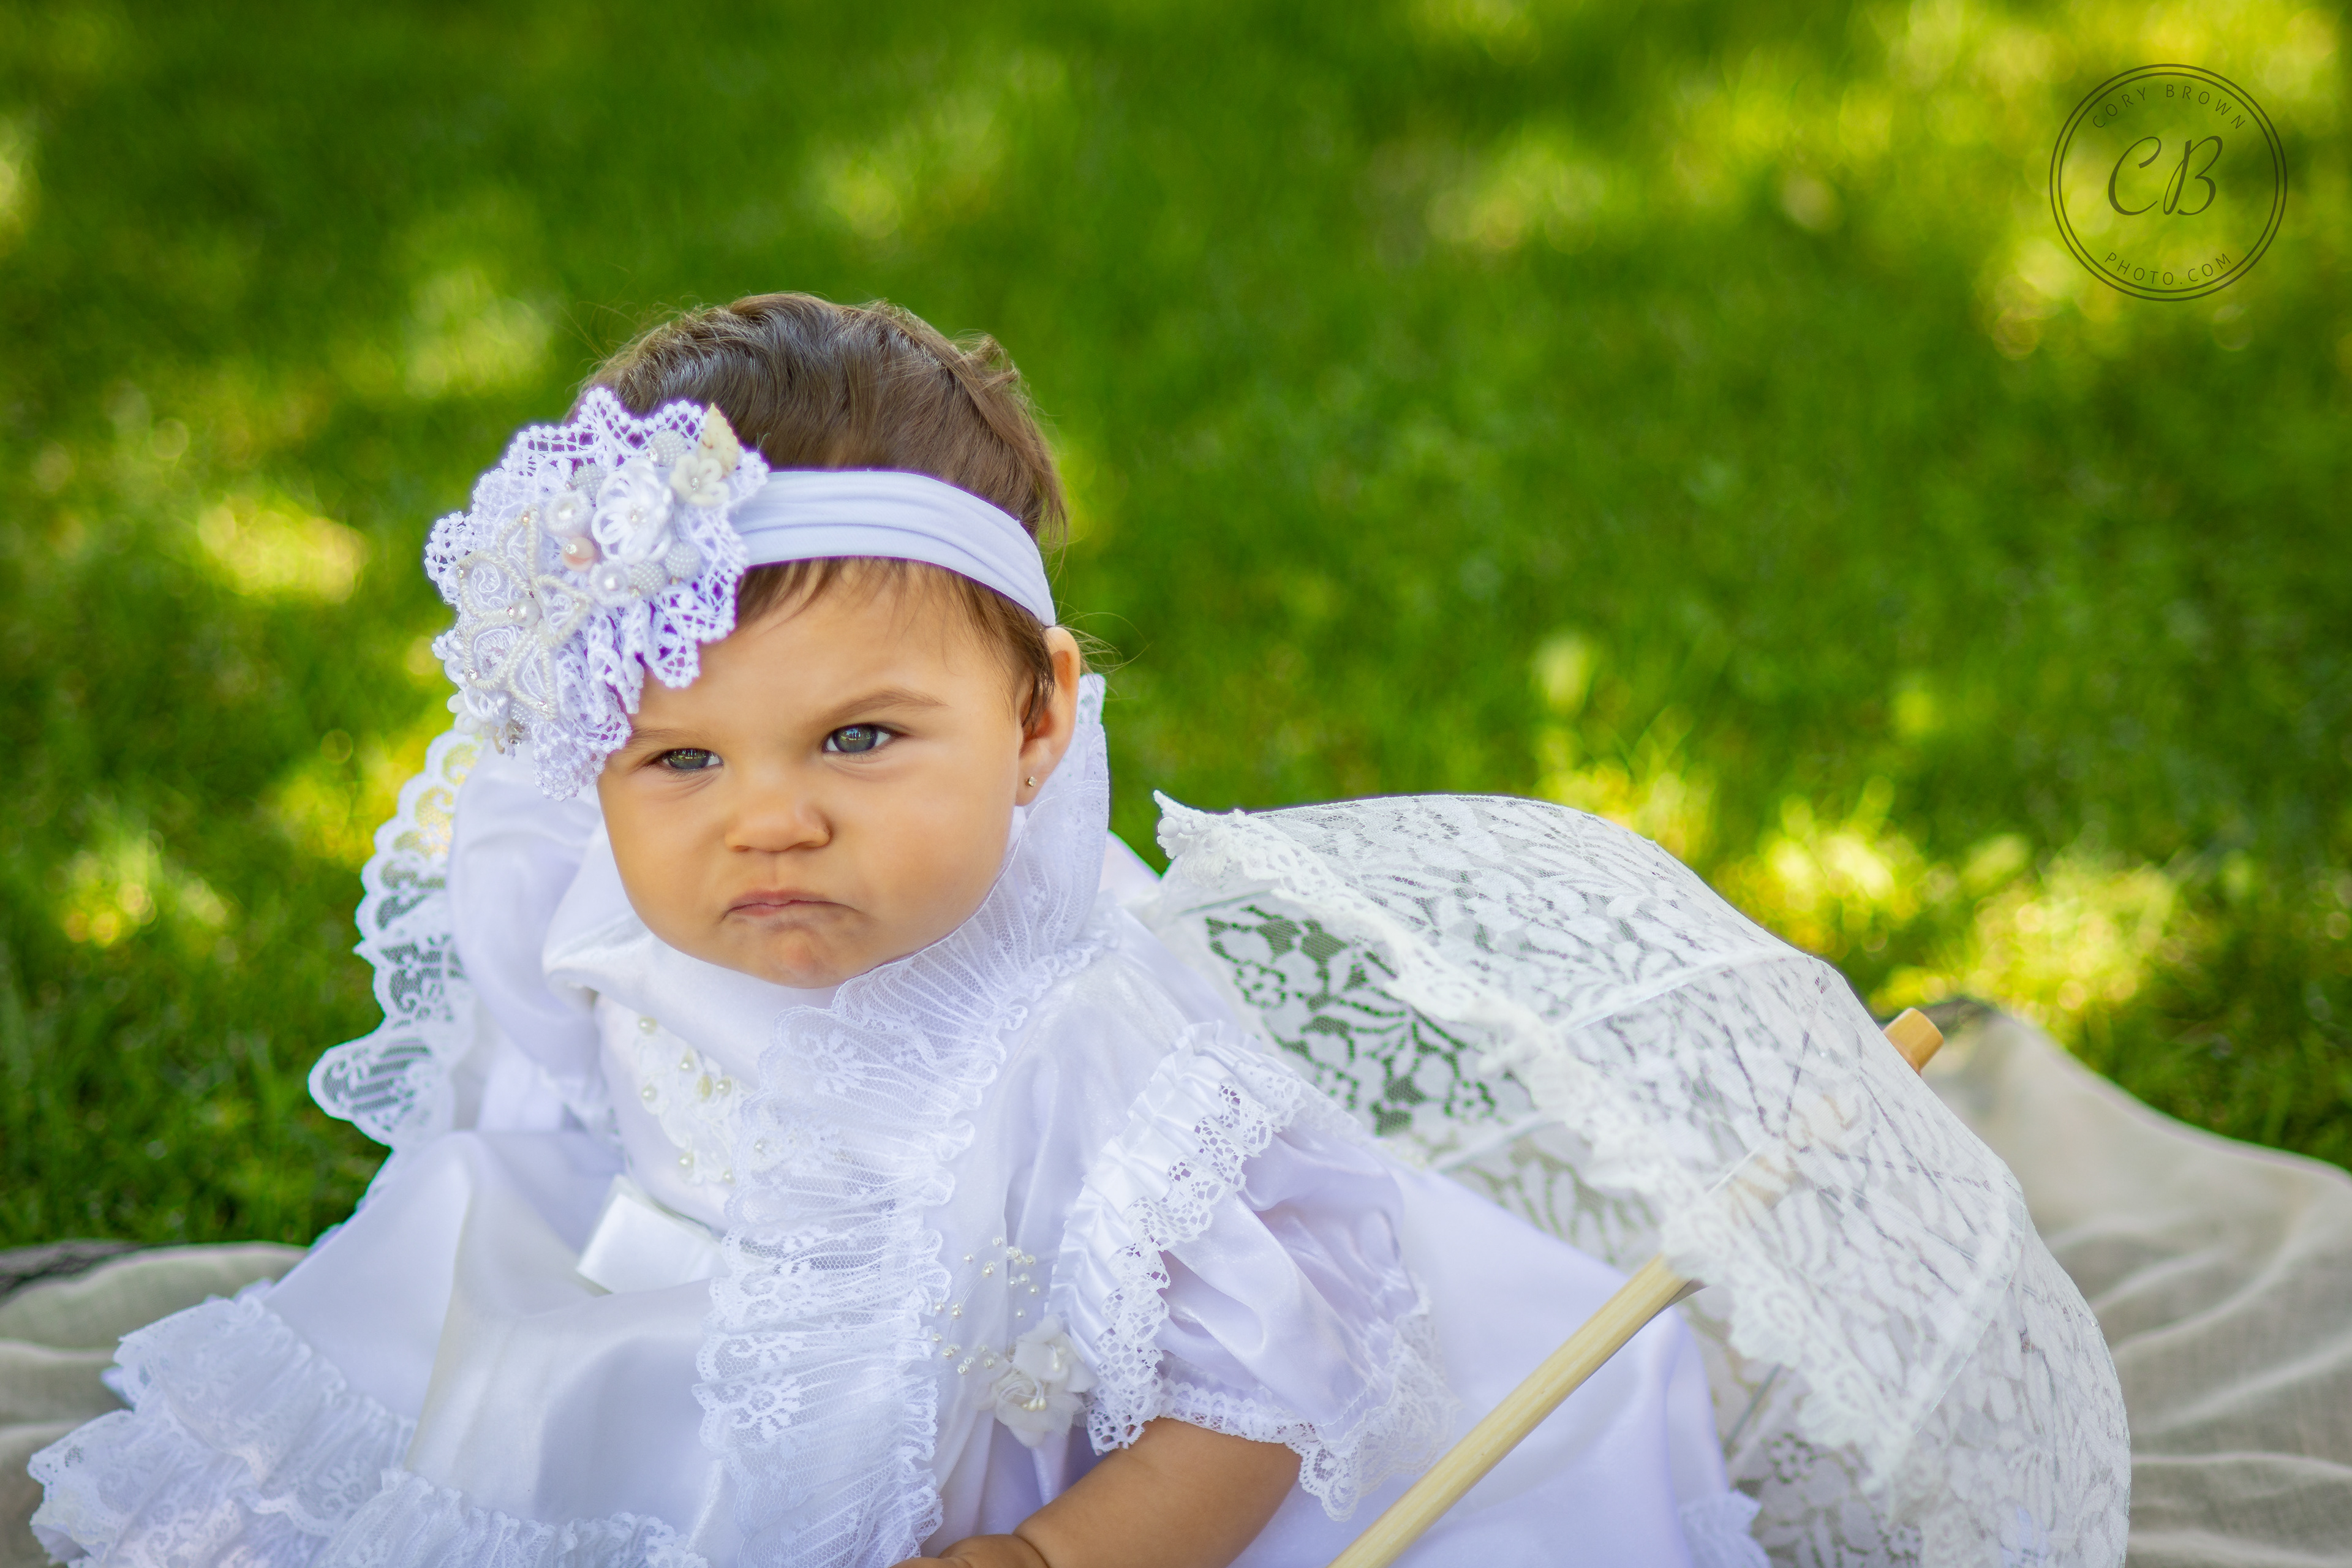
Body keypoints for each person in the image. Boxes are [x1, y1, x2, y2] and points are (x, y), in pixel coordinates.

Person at [28, 293, 1768, 1568]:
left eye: (859, 739)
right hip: (650, 1337)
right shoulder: (578, 896)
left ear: (1036, 719)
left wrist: (1050, 1555)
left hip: (997, 1453)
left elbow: (1256, 1396)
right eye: (681, 758)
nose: (769, 818)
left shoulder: (1080, 1033)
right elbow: (532, 1115)